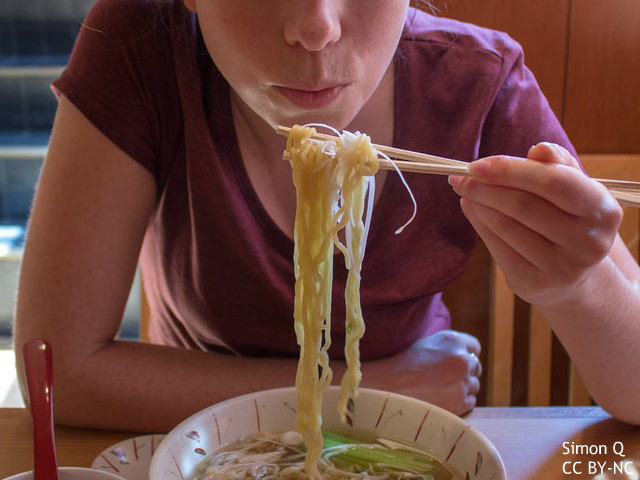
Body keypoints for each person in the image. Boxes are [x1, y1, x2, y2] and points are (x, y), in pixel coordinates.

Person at [13, 0, 640, 432]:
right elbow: (59, 373)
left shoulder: (476, 81)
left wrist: (579, 285)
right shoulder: (141, 47)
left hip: (412, 431)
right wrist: (359, 391)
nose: (316, 28)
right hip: (201, 438)